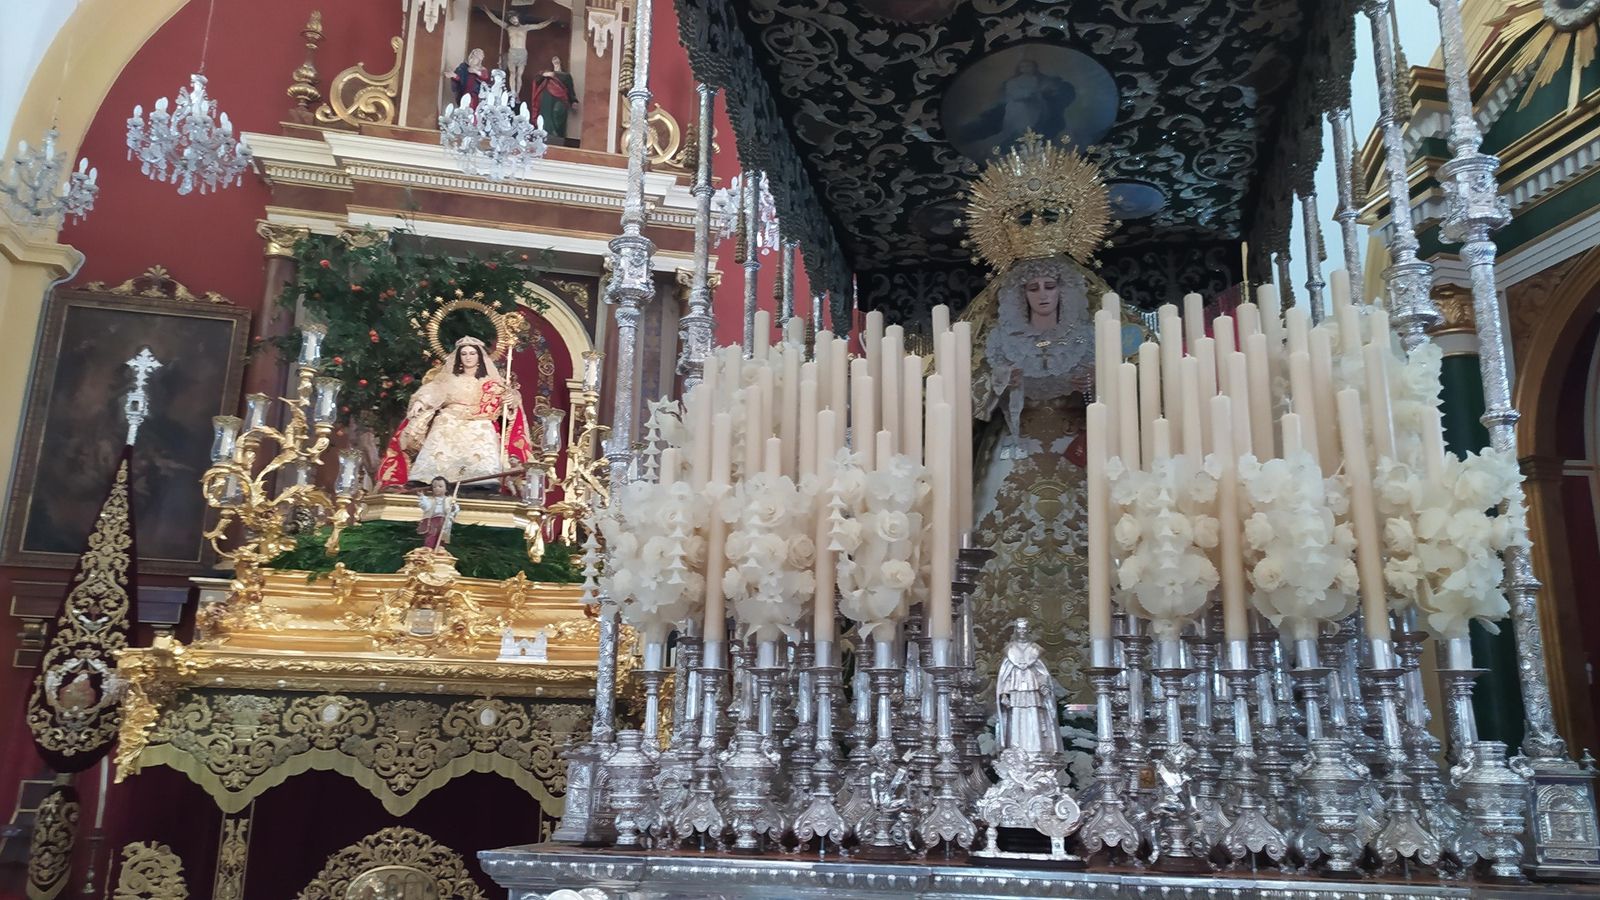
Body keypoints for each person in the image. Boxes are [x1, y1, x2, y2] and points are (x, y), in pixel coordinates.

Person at [967, 255, 1108, 703]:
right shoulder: (1000, 340)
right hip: (1013, 453)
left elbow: (1128, 398)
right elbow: (969, 402)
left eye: (1051, 285)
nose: (1043, 295)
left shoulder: (1089, 339)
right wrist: (1000, 382)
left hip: (1075, 458)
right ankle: (995, 675)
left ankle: (1093, 681)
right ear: (1019, 296)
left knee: (1091, 551)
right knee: (1002, 553)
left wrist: (1093, 387)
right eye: (1034, 287)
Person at [376, 336, 535, 489]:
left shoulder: (491, 383)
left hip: (479, 420)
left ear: (479, 357)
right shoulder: (450, 379)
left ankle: (480, 478)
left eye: (472, 354)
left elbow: (505, 403)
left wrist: (510, 400)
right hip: (450, 418)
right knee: (442, 424)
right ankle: (428, 475)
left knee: (485, 429)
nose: (468, 357)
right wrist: (421, 401)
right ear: (458, 357)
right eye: (464, 354)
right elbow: (434, 391)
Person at [994, 618, 1060, 754]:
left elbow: (1041, 672)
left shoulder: (1035, 650)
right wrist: (1005, 694)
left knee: (1033, 715)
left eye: (1024, 629)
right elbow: (1006, 675)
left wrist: (1044, 686)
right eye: (1019, 628)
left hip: (1032, 690)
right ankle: (1016, 749)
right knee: (1016, 716)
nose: (1022, 631)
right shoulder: (1010, 650)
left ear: (1028, 630)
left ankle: (1036, 749)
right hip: (1015, 690)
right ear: (1016, 630)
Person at [481, 6, 558, 98]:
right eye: (511, 20)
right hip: (512, 52)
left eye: (514, 18)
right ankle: (513, 92)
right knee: (512, 73)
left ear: (517, 17)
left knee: (519, 75)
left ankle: (517, 93)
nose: (513, 21)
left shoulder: (525, 27)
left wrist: (549, 20)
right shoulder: (508, 27)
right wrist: (487, 10)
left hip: (522, 52)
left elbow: (539, 26)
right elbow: (496, 20)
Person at [529, 56, 577, 145]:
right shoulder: (545, 75)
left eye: (557, 60)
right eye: (554, 60)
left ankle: (557, 135)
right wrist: (544, 74)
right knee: (546, 117)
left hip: (560, 99)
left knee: (558, 114)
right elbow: (537, 79)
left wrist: (573, 101)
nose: (556, 61)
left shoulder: (566, 76)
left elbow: (570, 89)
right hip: (546, 99)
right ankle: (545, 134)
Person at [417, 476, 460, 550]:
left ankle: (440, 546)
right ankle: (429, 546)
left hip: (444, 519)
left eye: (440, 486)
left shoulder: (449, 499)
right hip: (433, 519)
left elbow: (456, 509)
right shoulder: (430, 499)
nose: (437, 488)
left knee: (442, 533)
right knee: (431, 533)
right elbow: (426, 507)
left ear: (446, 489)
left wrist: (453, 508)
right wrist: (422, 497)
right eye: (434, 487)